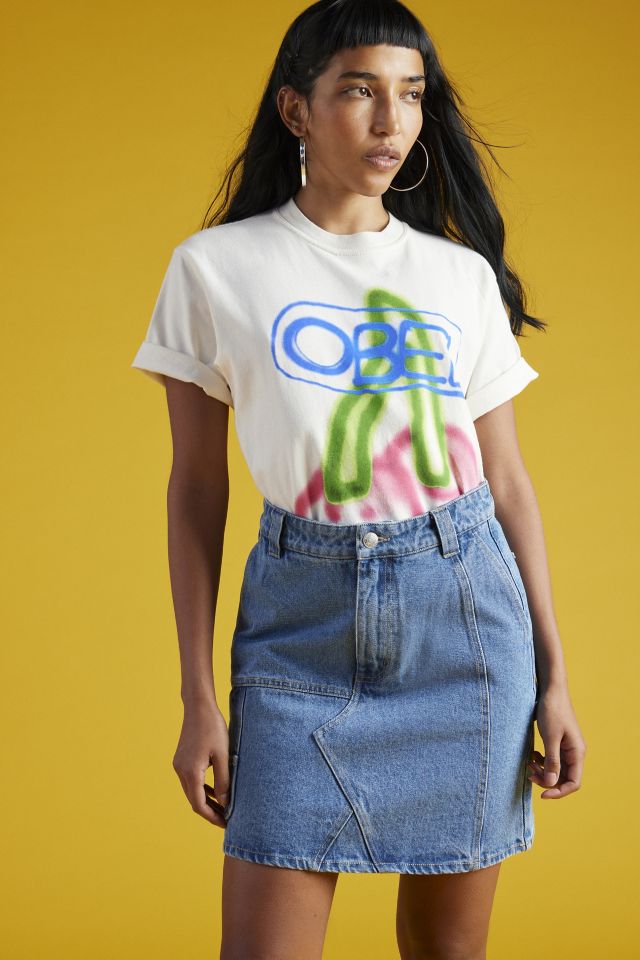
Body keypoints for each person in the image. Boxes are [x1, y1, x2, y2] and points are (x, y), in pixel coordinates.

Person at [131, 1, 587, 956]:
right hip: (297, 630)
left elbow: (506, 482)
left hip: (462, 626)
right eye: (359, 91)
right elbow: (197, 490)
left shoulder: (458, 276)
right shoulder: (215, 269)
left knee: (447, 953)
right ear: (296, 109)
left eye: (411, 95)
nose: (392, 121)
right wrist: (197, 696)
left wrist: (556, 675)